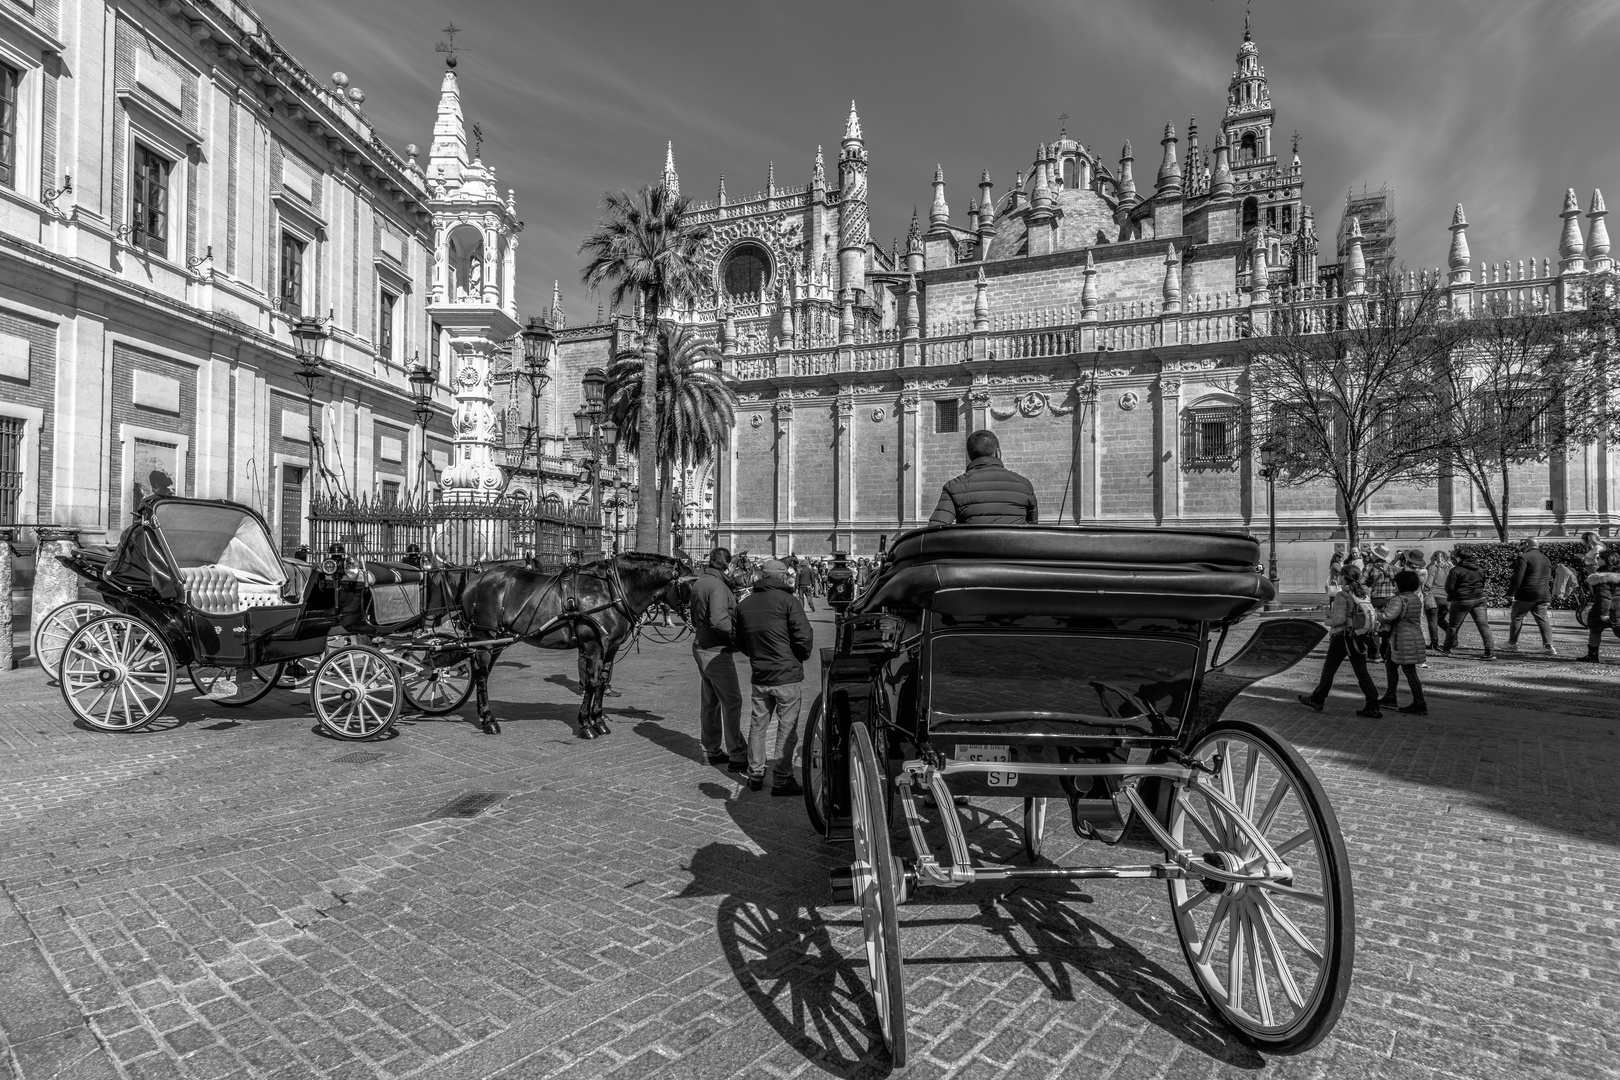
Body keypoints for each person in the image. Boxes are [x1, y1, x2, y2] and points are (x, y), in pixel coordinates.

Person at [736, 558, 814, 795]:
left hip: (760, 674)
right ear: (782, 578)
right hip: (786, 676)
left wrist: (756, 656)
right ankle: (781, 778)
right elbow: (804, 637)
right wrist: (798, 657)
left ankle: (755, 774)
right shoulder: (788, 601)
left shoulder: (744, 604)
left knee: (758, 725)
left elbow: (740, 640)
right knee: (786, 727)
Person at [688, 548, 748, 772]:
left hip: (701, 645)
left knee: (711, 702)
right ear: (728, 565)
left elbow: (695, 616)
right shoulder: (719, 587)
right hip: (716, 651)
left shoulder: (702, 581)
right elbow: (719, 620)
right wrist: (739, 635)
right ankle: (738, 753)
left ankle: (711, 749)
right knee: (732, 702)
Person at [1297, 564, 1383, 718]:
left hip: (1342, 638)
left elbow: (1339, 620)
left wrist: (1327, 617)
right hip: (1358, 637)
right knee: (1362, 672)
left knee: (1329, 670)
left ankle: (1318, 699)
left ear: (1344, 577)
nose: (1338, 577)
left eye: (1340, 575)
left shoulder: (1342, 596)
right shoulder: (1363, 594)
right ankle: (1373, 704)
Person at [928, 429, 1039, 525]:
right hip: (1014, 549)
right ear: (998, 453)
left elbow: (935, 529)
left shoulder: (953, 487)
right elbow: (1032, 528)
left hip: (970, 549)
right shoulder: (1025, 485)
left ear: (969, 456)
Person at [1378, 569, 1429, 715]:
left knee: (1409, 671)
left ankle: (1419, 702)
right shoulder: (1415, 598)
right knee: (1390, 663)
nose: (1394, 586)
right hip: (1412, 636)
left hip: (1403, 638)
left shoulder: (1399, 599)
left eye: (1396, 584)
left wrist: (1376, 614)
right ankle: (1390, 695)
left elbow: (1388, 616)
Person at [1504, 537, 1556, 656]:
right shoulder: (1546, 559)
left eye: (1522, 544)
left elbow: (1518, 577)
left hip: (1527, 593)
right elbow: (1548, 577)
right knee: (1542, 618)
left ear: (1527, 544)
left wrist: (1510, 593)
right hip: (1543, 593)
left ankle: (1512, 643)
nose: (1521, 546)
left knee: (1517, 616)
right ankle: (1548, 646)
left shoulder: (1523, 557)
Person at [1442, 549, 1495, 659]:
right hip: (1479, 598)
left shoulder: (1456, 570)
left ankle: (1447, 649)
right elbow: (1482, 583)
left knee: (1454, 626)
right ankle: (1489, 652)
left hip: (1461, 599)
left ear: (1459, 558)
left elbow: (1449, 587)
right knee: (1483, 625)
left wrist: (1451, 595)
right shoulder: (1480, 569)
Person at [1577, 549, 1620, 662]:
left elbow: (1604, 597)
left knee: (1596, 630)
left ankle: (1592, 655)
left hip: (1606, 609)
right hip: (1618, 608)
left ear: (1606, 561)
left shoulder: (1601, 578)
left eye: (1599, 558)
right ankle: (1591, 655)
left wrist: (1604, 612)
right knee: (1597, 629)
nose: (1597, 560)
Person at [1424, 550, 1452, 651]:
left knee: (1432, 620)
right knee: (1441, 619)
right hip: (1447, 598)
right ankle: (1454, 637)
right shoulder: (1450, 568)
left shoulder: (1433, 567)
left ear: (1434, 557)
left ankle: (1434, 643)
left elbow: (1428, 583)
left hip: (1434, 597)